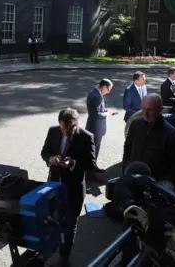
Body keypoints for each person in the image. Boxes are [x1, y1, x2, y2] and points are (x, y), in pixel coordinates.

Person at [40, 108, 96, 266]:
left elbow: (91, 164)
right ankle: (52, 245)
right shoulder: (53, 131)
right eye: (63, 129)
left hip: (74, 189)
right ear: (59, 124)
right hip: (54, 184)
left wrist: (73, 164)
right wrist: (51, 159)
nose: (65, 133)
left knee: (71, 222)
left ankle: (64, 254)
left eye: (69, 130)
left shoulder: (86, 137)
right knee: (51, 217)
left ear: (76, 124)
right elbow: (44, 152)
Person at [122, 94, 175, 189]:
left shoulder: (171, 134)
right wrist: (125, 168)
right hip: (132, 177)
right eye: (143, 109)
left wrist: (162, 181)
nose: (145, 113)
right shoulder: (135, 125)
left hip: (154, 185)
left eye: (150, 110)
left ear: (160, 109)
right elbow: (127, 148)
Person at [85, 79, 117, 163]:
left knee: (91, 149)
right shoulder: (97, 97)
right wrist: (106, 114)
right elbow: (96, 114)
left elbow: (96, 110)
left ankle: (91, 167)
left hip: (92, 126)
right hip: (96, 128)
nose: (109, 92)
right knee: (94, 150)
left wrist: (105, 111)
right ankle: (92, 169)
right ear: (104, 87)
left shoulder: (94, 92)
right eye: (109, 89)